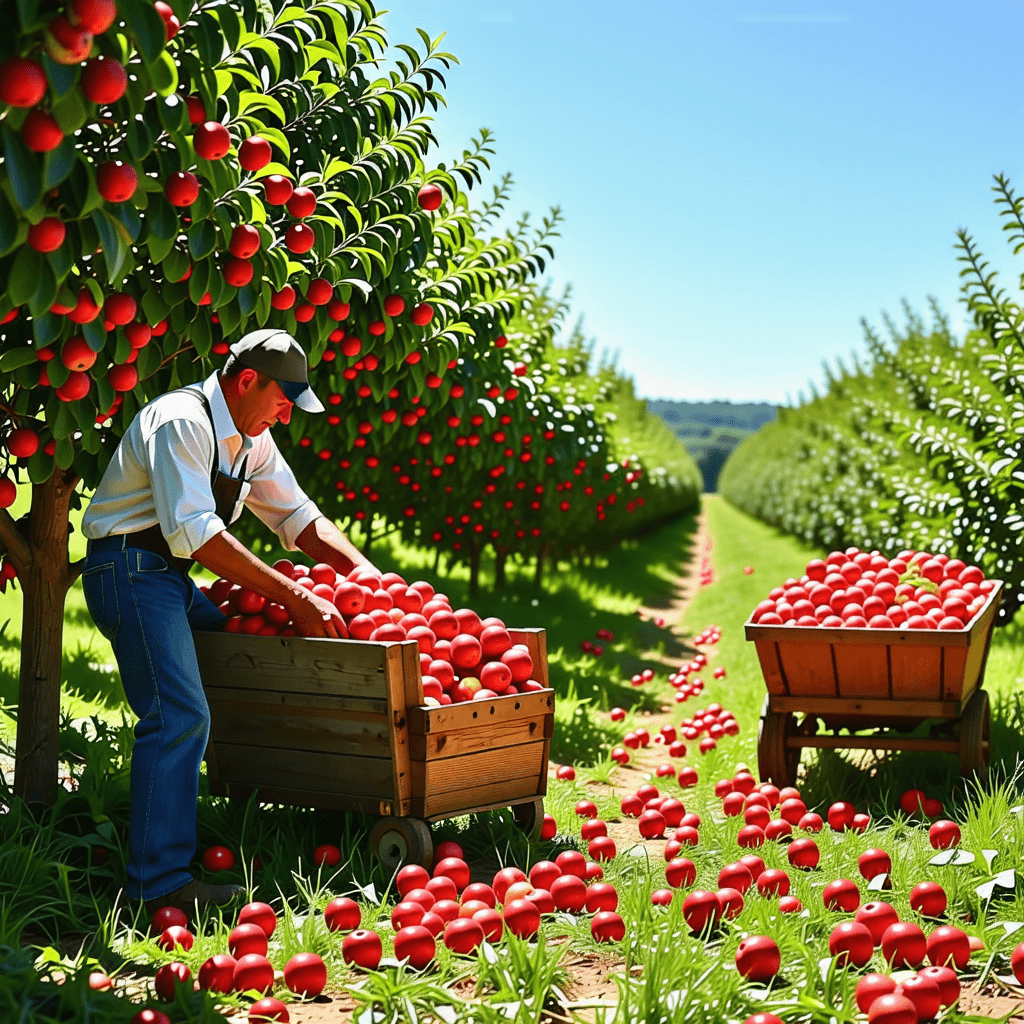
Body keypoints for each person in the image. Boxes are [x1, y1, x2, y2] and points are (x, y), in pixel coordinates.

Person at [81, 328, 374, 919]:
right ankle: (156, 883)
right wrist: (293, 595)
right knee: (177, 713)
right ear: (246, 382)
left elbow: (295, 515)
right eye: (282, 401)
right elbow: (195, 533)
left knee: (242, 661)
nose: (285, 417)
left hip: (167, 576)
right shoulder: (182, 422)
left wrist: (370, 576)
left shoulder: (248, 438)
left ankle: (228, 805)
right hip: (131, 570)